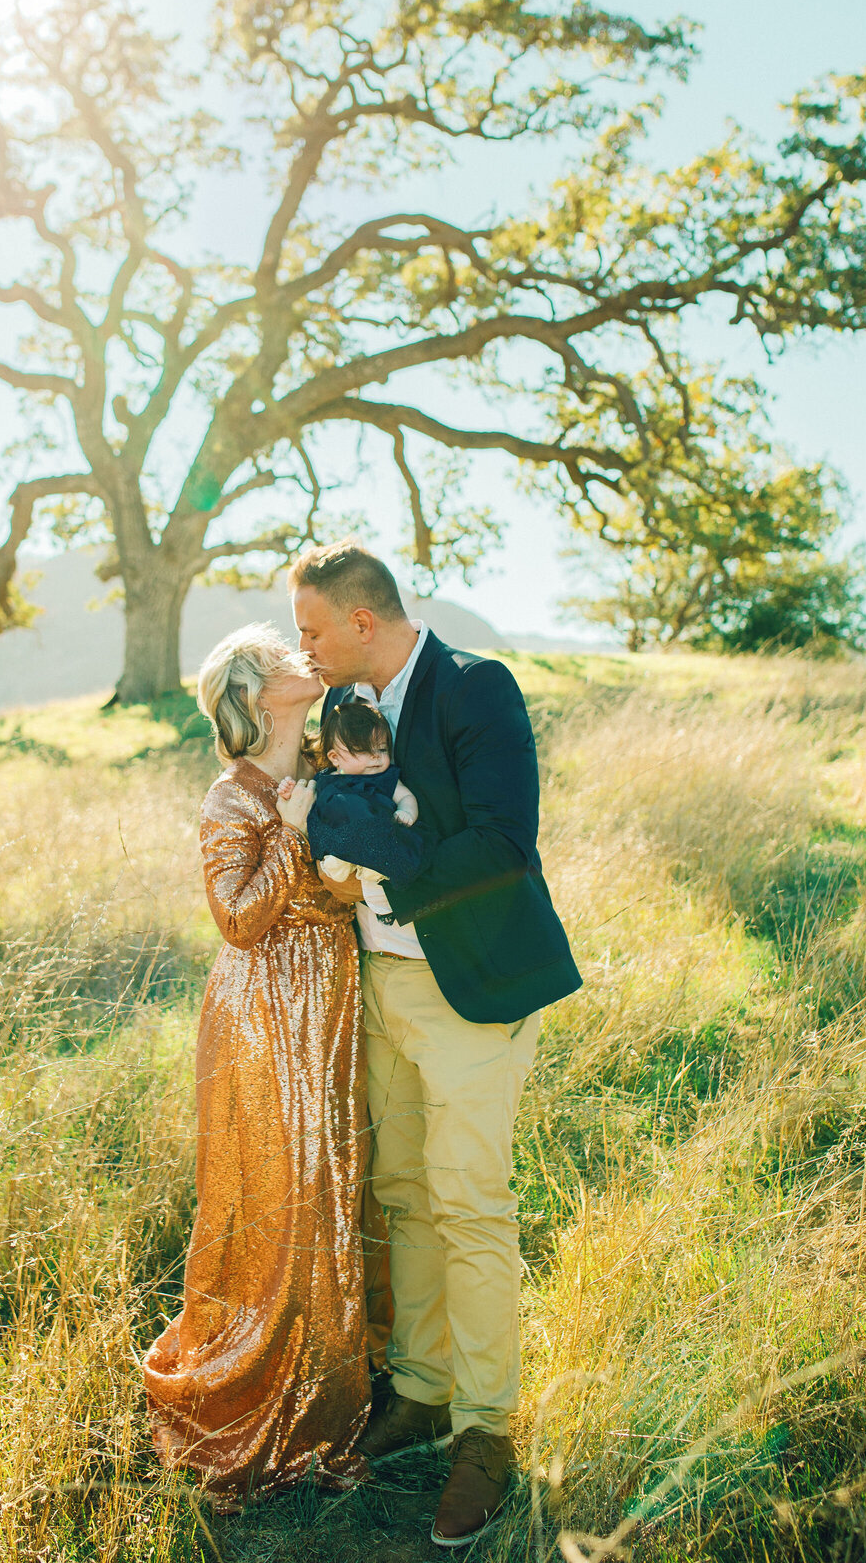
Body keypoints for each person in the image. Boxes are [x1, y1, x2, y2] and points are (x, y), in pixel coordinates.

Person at [289, 544, 582, 1551]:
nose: (307, 648)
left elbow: (504, 845)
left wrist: (387, 868)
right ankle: (416, 1388)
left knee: (470, 1205)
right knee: (405, 1193)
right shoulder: (344, 709)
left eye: (314, 630)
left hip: (473, 992)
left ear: (363, 623)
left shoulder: (472, 689)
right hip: (384, 986)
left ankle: (486, 1431)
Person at [142, 623, 370, 1506]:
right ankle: (250, 1387)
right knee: (276, 1193)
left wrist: (337, 829)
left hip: (332, 998)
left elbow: (351, 886)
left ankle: (326, 1389)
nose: (302, 662)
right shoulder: (232, 796)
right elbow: (237, 920)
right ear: (254, 694)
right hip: (262, 1013)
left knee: (331, 1187)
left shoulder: (324, 766)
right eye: (283, 659)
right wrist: (293, 833)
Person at [281, 699, 425, 885]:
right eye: (362, 750)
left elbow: (406, 796)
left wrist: (406, 812)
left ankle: (374, 869)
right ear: (335, 758)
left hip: (378, 834)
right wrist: (290, 793)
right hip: (339, 838)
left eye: (382, 749)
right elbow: (309, 802)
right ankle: (340, 863)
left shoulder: (386, 777)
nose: (375, 756)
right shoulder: (325, 779)